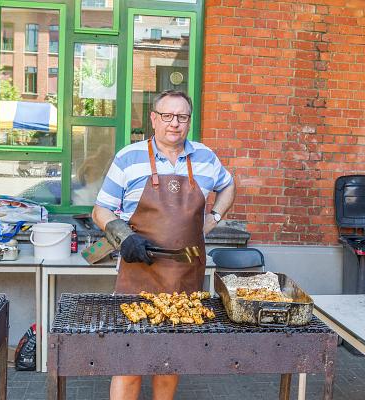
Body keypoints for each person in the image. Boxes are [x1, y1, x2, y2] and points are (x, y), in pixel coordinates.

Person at [92, 90, 236, 400]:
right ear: (154, 119)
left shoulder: (206, 158)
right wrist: (123, 235)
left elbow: (228, 184)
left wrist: (213, 218)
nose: (175, 124)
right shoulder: (128, 157)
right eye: (167, 116)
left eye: (182, 117)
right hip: (138, 273)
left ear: (189, 121)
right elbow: (100, 210)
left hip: (186, 275)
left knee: (170, 362)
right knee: (129, 362)